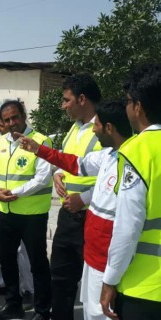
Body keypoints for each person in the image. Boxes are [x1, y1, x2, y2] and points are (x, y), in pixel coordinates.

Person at [18, 100, 132, 320]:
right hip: (91, 243)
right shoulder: (108, 155)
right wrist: (40, 150)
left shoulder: (128, 161)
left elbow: (114, 205)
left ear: (109, 128)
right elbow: (77, 164)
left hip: (104, 249)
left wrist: (84, 198)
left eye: (97, 125)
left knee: (101, 311)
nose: (94, 129)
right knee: (83, 298)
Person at [100, 65, 161, 319]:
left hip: (144, 289)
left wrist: (110, 280)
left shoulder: (137, 152)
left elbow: (127, 228)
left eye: (127, 102)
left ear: (138, 106)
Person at [0, 100, 52, 320]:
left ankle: (43, 310)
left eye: (15, 117)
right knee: (6, 260)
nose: (11, 123)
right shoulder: (0, 142)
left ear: (24, 116)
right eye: (6, 120)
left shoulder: (42, 141)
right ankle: (13, 304)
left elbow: (43, 178)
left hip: (32, 215)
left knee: (38, 263)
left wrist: (17, 193)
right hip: (5, 212)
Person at [51, 74, 102, 320]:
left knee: (94, 283)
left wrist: (85, 198)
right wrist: (58, 174)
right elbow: (66, 158)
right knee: (60, 278)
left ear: (82, 99)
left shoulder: (104, 128)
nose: (63, 106)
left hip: (91, 217)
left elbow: (113, 172)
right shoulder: (73, 129)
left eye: (66, 100)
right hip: (67, 216)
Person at [0, 112, 34, 296]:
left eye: (3, 123)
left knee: (24, 250)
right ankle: (5, 285)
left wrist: (13, 192)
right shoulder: (0, 142)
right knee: (0, 246)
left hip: (22, 204)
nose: (0, 127)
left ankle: (29, 288)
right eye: (1, 123)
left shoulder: (30, 141)